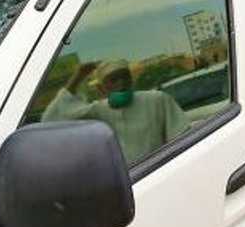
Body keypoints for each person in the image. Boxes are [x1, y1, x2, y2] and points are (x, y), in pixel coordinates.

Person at [41, 60, 189, 163]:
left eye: (124, 76)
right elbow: (51, 119)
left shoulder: (156, 100)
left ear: (131, 80)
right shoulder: (98, 111)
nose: (121, 83)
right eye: (113, 80)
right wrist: (78, 77)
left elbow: (181, 137)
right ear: (102, 88)